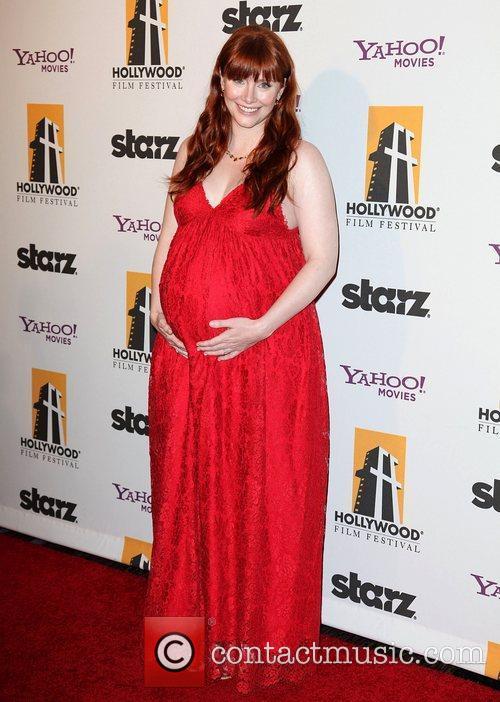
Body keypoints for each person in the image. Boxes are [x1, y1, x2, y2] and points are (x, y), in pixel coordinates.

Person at [145, 24, 339, 694]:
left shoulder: (298, 159)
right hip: (187, 363)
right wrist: (156, 302)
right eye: (238, 76)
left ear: (283, 88)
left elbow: (322, 261)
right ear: (220, 80)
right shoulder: (194, 150)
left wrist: (257, 328)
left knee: (259, 503)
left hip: (264, 362)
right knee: (185, 498)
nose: (249, 93)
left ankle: (256, 650)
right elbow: (169, 236)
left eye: (265, 79)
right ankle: (188, 643)